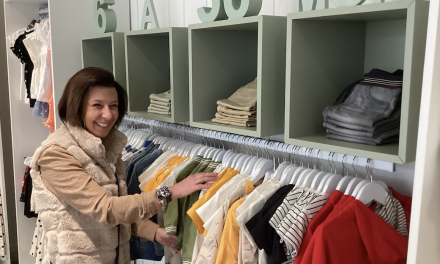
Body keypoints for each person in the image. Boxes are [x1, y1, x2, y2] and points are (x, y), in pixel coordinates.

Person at [29, 67, 217, 264]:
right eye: (97, 105)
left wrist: (153, 232)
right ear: (77, 107)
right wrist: (169, 192)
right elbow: (106, 209)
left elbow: (119, 212)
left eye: (113, 105)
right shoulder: (57, 154)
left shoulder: (106, 148)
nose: (108, 115)